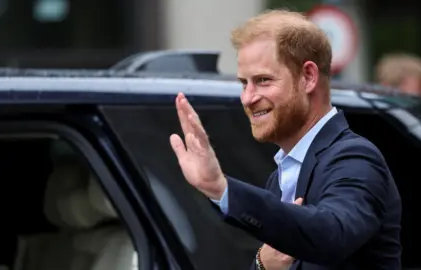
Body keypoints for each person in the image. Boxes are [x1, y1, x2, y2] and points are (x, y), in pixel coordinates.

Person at [169, 9, 402, 270]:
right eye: (244, 83)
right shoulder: (279, 178)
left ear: (309, 77)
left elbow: (331, 234)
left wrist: (221, 188)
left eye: (263, 81)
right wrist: (262, 264)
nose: (247, 97)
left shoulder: (356, 159)